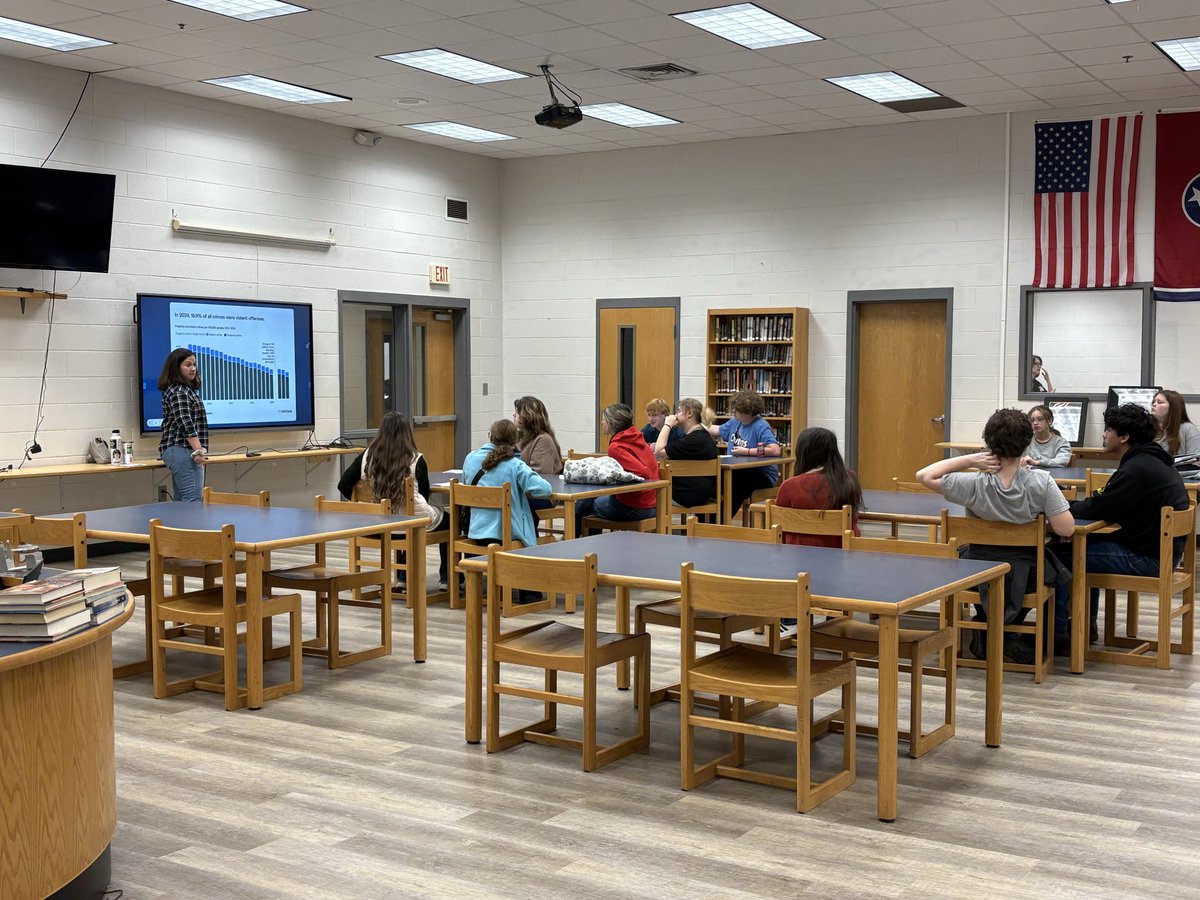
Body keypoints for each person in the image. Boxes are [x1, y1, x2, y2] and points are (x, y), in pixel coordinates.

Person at [917, 408, 1074, 663]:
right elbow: (1066, 529)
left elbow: (924, 476)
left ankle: (989, 625)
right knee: (1057, 571)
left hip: (976, 571)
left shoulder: (972, 483)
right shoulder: (1041, 482)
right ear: (1027, 443)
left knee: (973, 565)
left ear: (988, 444)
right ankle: (1013, 634)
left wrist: (969, 461)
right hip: (1025, 571)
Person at [1049, 403, 1190, 655]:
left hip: (1148, 558)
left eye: (1108, 430)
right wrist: (1069, 505)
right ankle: (1084, 626)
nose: (1103, 434)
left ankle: (1060, 634)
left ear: (1124, 437)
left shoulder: (1137, 468)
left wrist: (1055, 508)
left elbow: (1099, 507)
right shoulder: (1151, 460)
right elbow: (1104, 501)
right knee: (1082, 546)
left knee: (1059, 556)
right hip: (1162, 553)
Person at [337, 411, 448, 590]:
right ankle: (447, 580)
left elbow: (343, 484)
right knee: (449, 520)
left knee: (404, 521)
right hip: (406, 524)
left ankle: (403, 578)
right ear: (406, 433)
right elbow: (424, 497)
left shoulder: (366, 457)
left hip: (376, 524)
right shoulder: (415, 459)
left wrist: (366, 505)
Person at [774, 427, 865, 639]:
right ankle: (835, 620)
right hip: (839, 560)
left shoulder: (789, 486)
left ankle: (790, 619)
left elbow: (779, 524)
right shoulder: (849, 481)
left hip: (797, 563)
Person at [462, 420, 554, 604]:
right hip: (505, 534)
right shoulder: (514, 464)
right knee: (530, 527)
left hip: (476, 530)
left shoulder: (470, 459)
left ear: (490, 436)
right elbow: (545, 490)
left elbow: (465, 483)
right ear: (515, 441)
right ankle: (529, 593)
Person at [574, 403, 659, 535]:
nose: (601, 422)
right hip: (652, 504)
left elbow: (641, 472)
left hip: (635, 507)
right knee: (590, 501)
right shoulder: (637, 437)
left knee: (584, 503)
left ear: (611, 422)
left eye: (603, 419)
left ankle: (574, 540)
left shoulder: (616, 447)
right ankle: (590, 544)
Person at [706, 389, 781, 517]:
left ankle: (720, 520)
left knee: (736, 483)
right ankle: (706, 517)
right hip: (736, 470)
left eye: (737, 410)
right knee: (713, 479)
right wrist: (697, 426)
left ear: (748, 412)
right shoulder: (735, 421)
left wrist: (747, 451)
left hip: (762, 474)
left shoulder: (760, 426)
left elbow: (775, 449)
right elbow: (717, 430)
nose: (733, 412)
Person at [157, 347, 208, 502]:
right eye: (188, 365)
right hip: (183, 450)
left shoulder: (185, 390)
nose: (193, 369)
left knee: (181, 504)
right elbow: (186, 423)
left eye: (194, 364)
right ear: (176, 368)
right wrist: (198, 451)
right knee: (192, 501)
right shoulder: (179, 392)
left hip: (181, 450)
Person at [654, 397, 718, 510]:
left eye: (678, 411)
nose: (675, 415)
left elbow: (659, 451)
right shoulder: (704, 437)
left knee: (645, 492)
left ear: (689, 413)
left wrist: (667, 424)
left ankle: (655, 525)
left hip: (685, 496)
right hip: (701, 494)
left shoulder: (692, 440)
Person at [1151, 389, 1200, 457]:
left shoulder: (1188, 429)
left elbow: (1196, 459)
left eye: (1159, 402)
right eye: (1154, 401)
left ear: (1172, 408)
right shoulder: (1149, 428)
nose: (1153, 404)